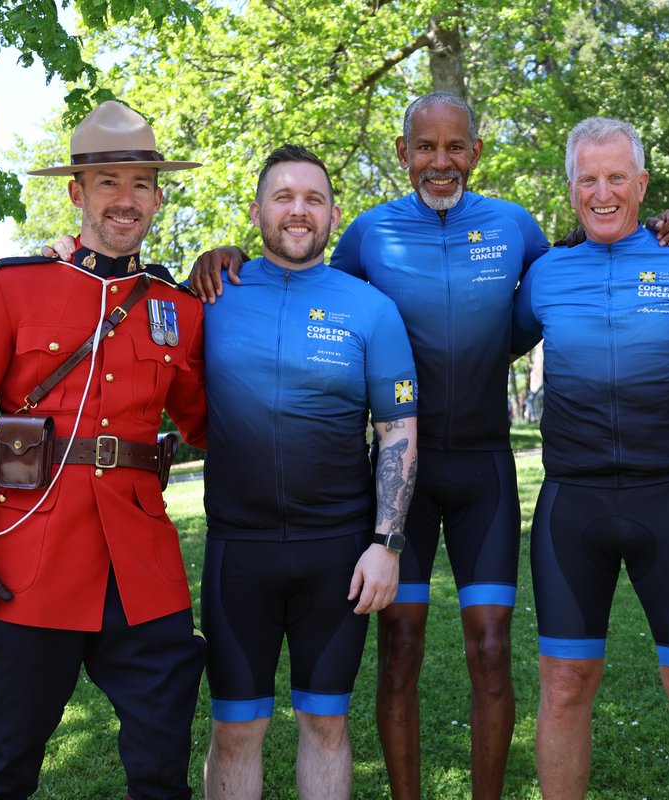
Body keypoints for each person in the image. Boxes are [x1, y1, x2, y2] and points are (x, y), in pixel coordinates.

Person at [188, 92, 669, 800]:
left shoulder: (516, 229)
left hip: (484, 466)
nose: (440, 161)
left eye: (455, 147)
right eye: (424, 147)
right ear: (403, 154)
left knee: (491, 652)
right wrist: (228, 255)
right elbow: (304, 284)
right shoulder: (366, 235)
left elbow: (567, 285)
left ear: (476, 154)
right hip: (404, 480)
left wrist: (663, 230)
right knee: (399, 652)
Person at [0, 101, 209, 799]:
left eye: (140, 183)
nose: (125, 199)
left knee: (163, 769)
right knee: (4, 769)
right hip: (26, 564)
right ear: (77, 193)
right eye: (107, 182)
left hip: (143, 570)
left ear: (158, 196)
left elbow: (208, 422)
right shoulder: (8, 286)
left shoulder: (182, 308)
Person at [510, 116, 669, 800]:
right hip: (572, 507)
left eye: (617, 176)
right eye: (588, 179)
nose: (602, 192)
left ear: (641, 184)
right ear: (570, 190)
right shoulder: (545, 276)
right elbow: (471, 347)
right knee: (564, 685)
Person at [196, 145, 418, 800]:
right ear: (258, 209)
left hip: (337, 553)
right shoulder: (210, 295)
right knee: (236, 728)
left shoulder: (371, 308)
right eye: (284, 196)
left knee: (326, 722)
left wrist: (386, 545)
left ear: (333, 214)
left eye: (313, 199)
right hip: (239, 551)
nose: (299, 210)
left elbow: (397, 430)